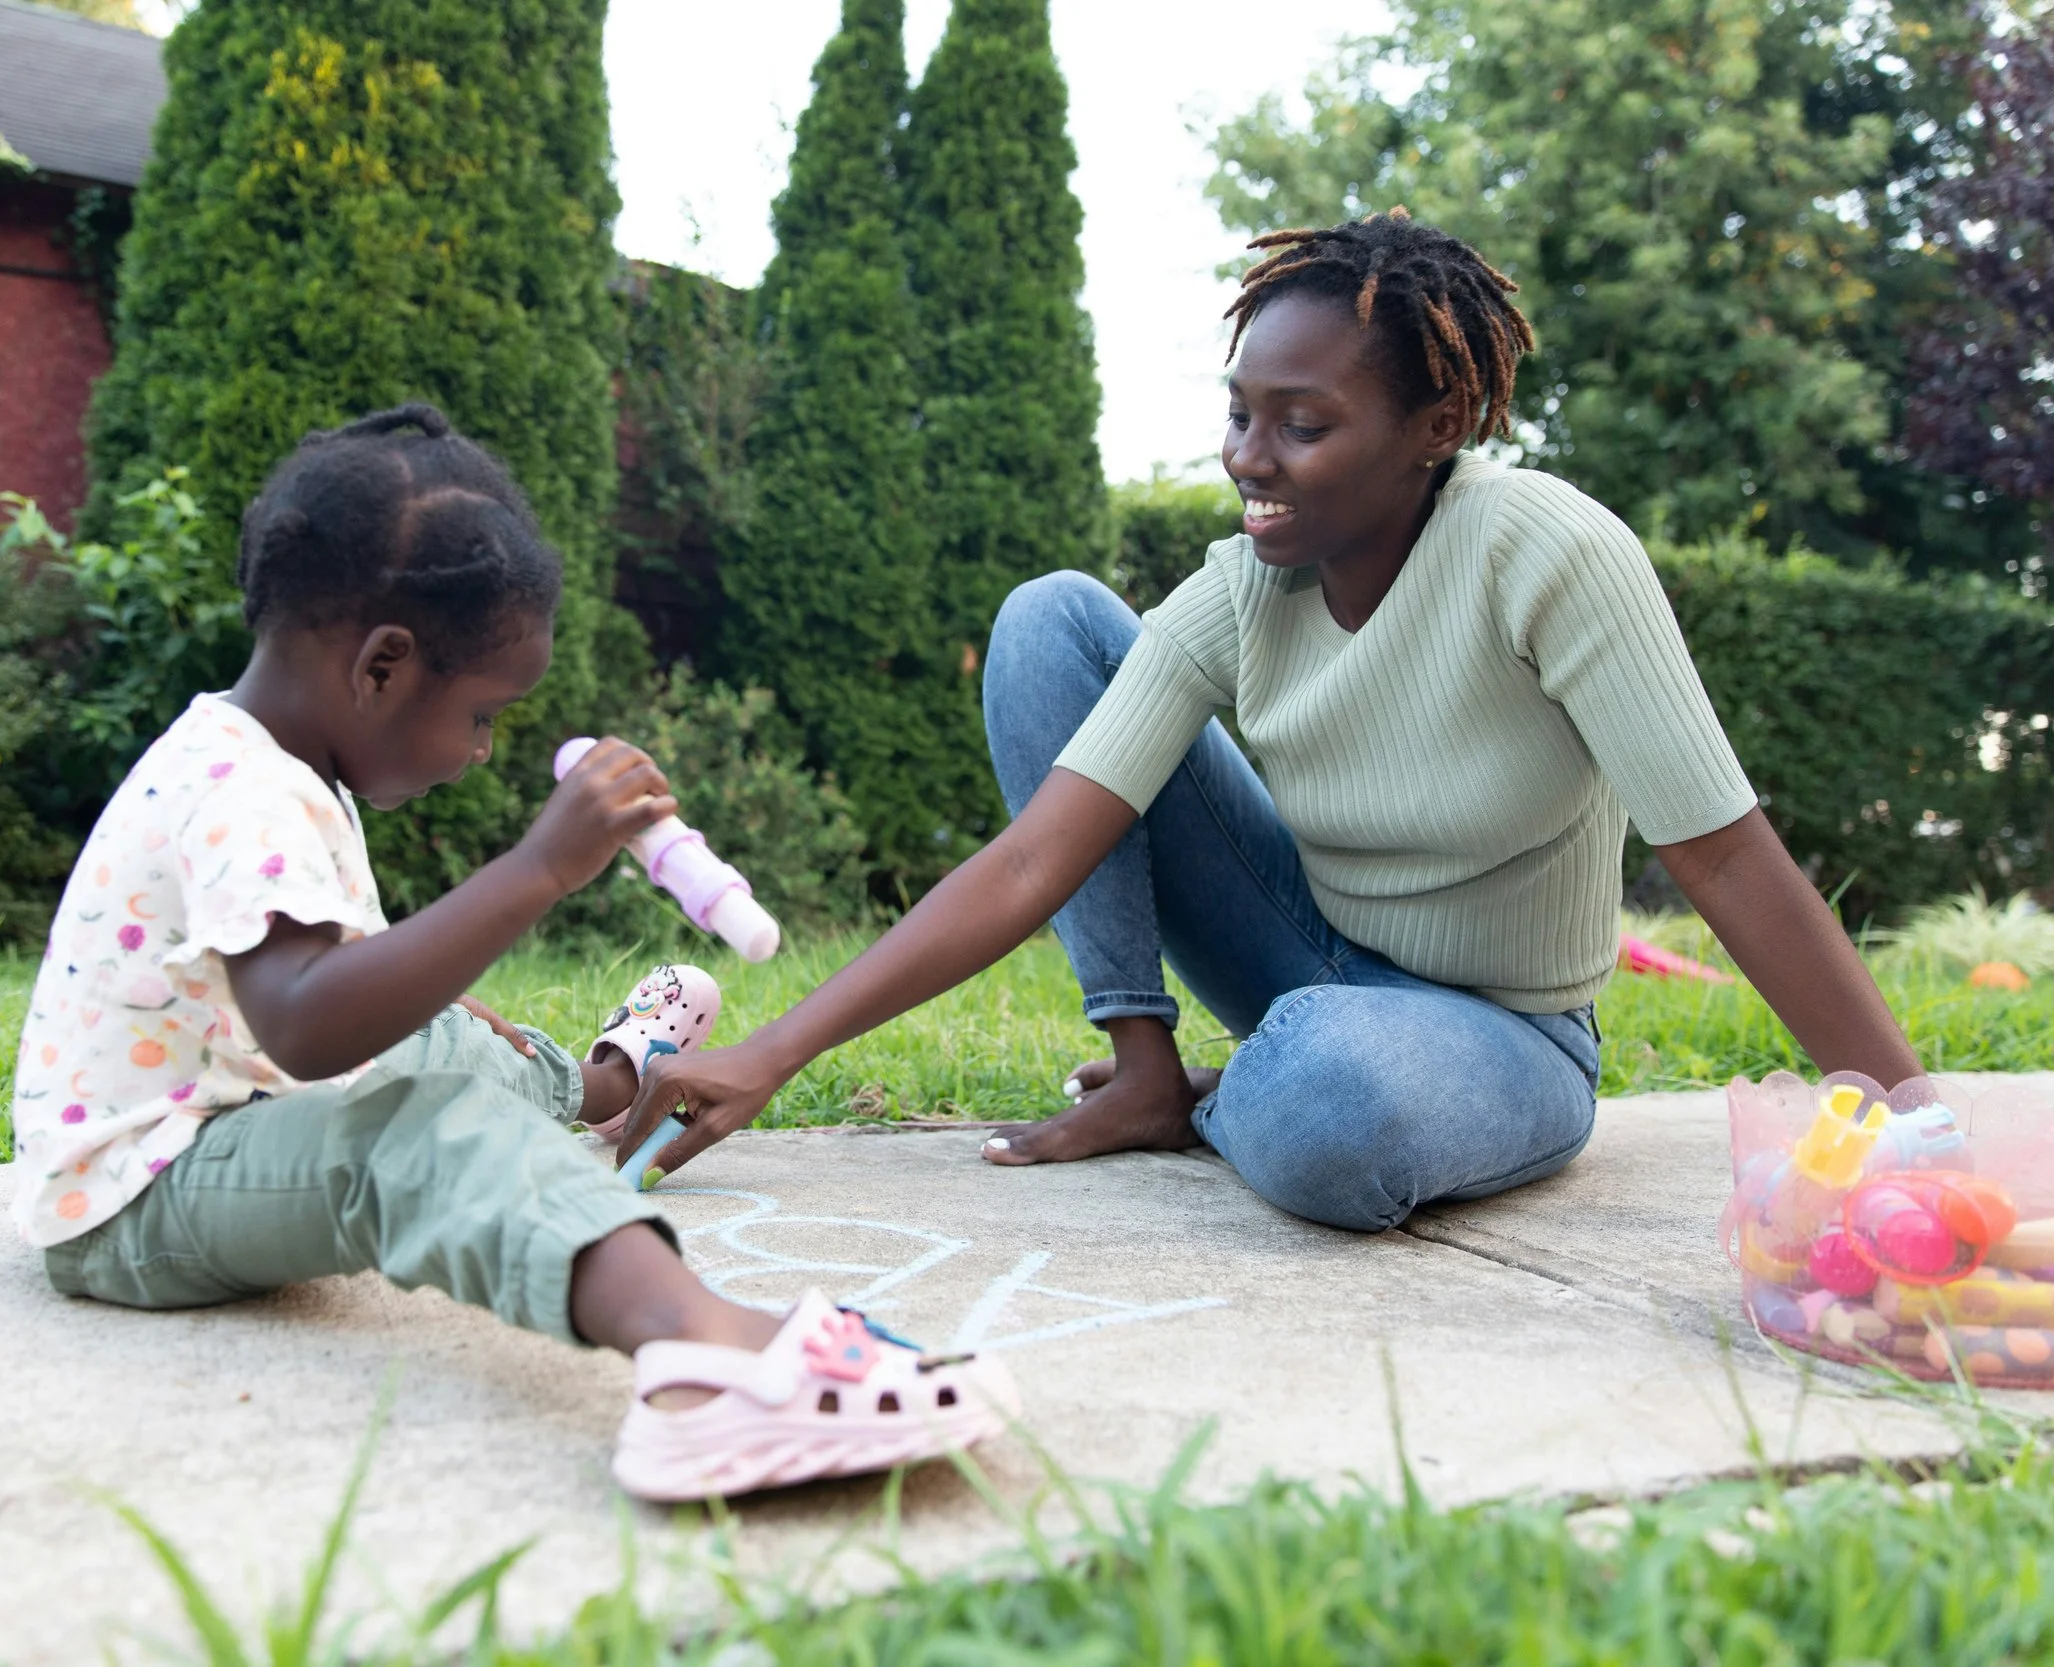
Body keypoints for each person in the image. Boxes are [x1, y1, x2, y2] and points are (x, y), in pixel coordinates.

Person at [617, 212, 1923, 1234]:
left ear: (1439, 424)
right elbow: (1035, 857)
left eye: (1305, 424)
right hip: (1303, 954)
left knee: (1325, 1106)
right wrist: (776, 1048)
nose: (1252, 454)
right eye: (1242, 412)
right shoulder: (1238, 588)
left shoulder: (1548, 552)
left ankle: (1252, 1086)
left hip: (1504, 1039)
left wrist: (1915, 1117)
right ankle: (1146, 1073)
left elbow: (1727, 855)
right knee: (1052, 619)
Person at [9, 402, 1013, 1500]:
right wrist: (541, 865)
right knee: (423, 1133)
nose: (484, 750)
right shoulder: (244, 792)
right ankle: (700, 1352)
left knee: (442, 1029)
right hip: (138, 1193)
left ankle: (600, 1081)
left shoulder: (267, 758)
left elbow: (300, 981)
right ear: (383, 665)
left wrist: (432, 993)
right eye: (484, 714)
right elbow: (303, 1026)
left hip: (226, 1106)